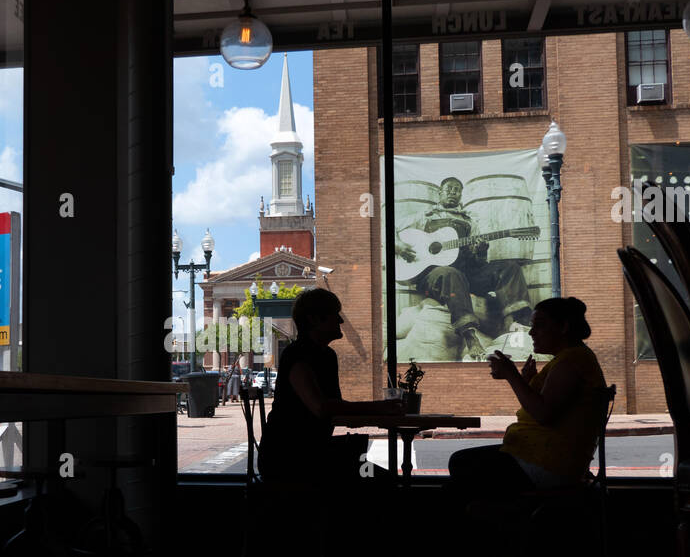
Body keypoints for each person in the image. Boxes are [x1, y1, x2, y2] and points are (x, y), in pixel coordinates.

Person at [448, 297, 608, 500]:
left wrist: (512, 375)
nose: (531, 333)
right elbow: (546, 405)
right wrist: (527, 381)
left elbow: (544, 414)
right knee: (456, 485)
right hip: (542, 457)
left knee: (460, 464)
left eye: (539, 326)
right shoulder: (571, 358)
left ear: (564, 327)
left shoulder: (572, 361)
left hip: (548, 464)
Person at [258, 288, 404, 483]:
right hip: (289, 460)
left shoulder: (327, 355)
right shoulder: (297, 354)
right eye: (335, 315)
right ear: (314, 320)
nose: (341, 321)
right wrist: (380, 408)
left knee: (380, 478)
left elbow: (333, 407)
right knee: (382, 480)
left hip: (314, 455)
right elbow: (322, 407)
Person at [397, 177, 532, 358]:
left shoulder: (469, 222)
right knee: (451, 274)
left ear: (461, 195)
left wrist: (481, 251)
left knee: (509, 268)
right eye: (449, 189)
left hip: (466, 272)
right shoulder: (425, 217)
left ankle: (519, 322)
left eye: (457, 190)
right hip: (434, 275)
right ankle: (469, 335)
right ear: (440, 193)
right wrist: (398, 245)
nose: (453, 192)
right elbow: (388, 229)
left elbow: (478, 262)